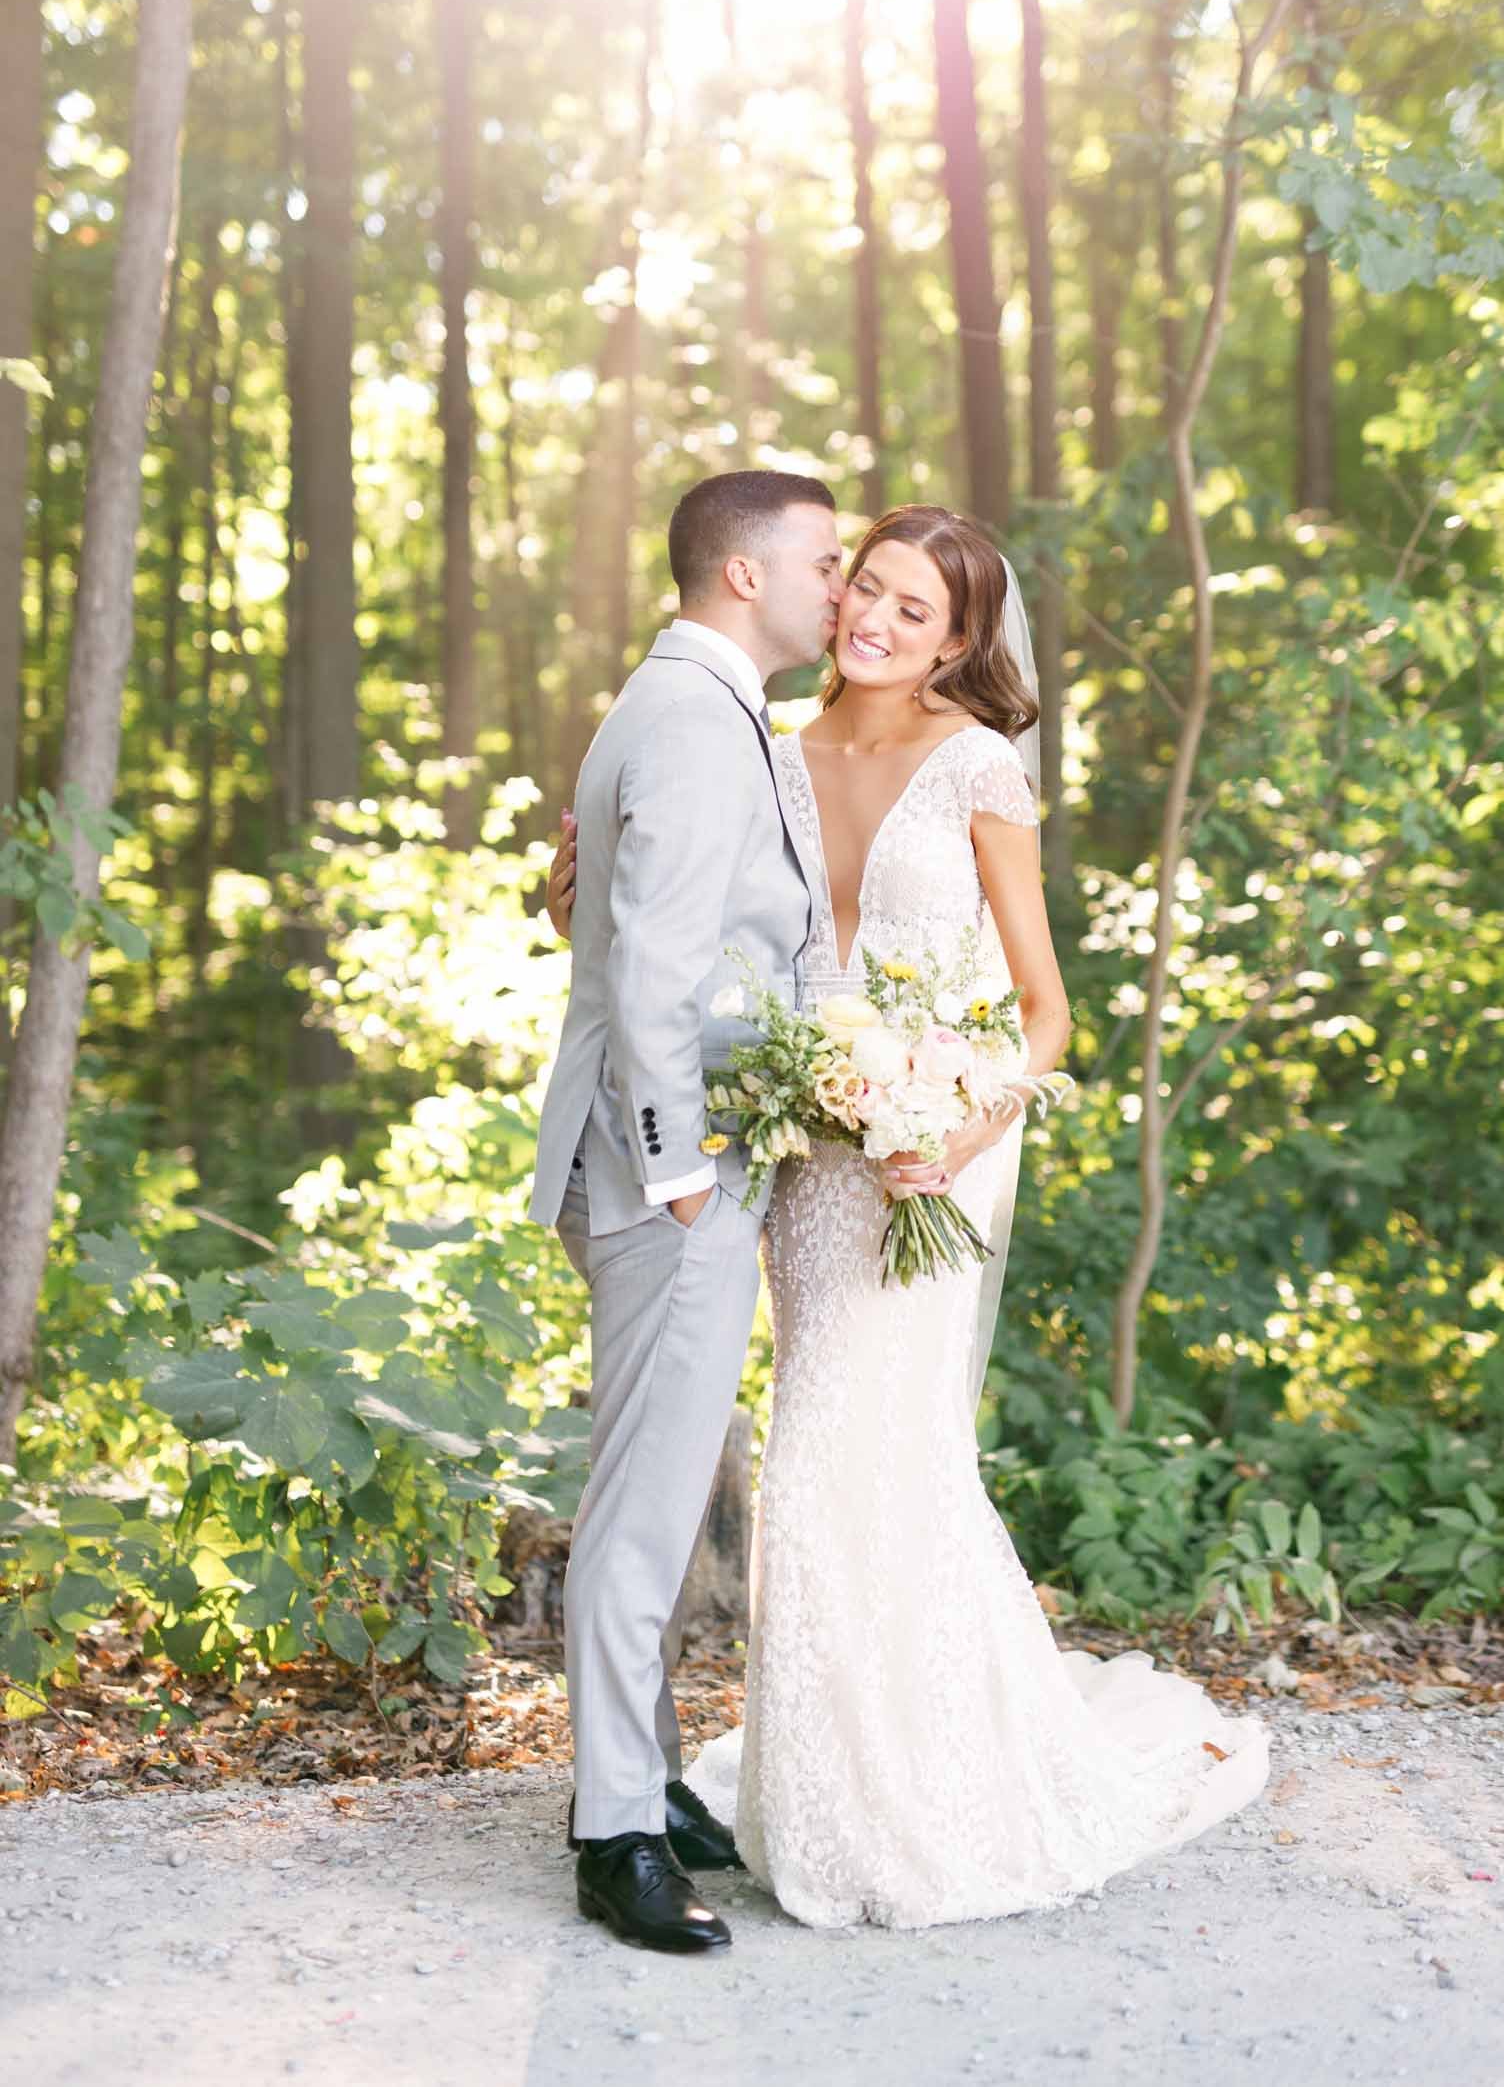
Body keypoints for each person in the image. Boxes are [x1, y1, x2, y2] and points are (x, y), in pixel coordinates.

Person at [545, 502, 1269, 1935]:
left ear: (958, 642)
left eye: (912, 610)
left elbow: (1047, 1014)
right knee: (815, 1454)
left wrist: (959, 1119)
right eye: (863, 585)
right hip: (797, 1145)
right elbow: (688, 922)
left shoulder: (982, 767)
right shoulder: (763, 742)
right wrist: (572, 892)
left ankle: (920, 1788)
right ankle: (819, 1785)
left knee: (877, 1441)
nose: (872, 617)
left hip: (936, 1137)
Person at [527, 469, 844, 1954]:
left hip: (689, 1155)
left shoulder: (694, 706)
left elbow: (640, 916)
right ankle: (613, 1834)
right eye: (824, 563)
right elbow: (654, 969)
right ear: (742, 577)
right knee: (646, 1505)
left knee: (646, 1480)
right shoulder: (692, 718)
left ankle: (643, 1770)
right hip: (673, 1167)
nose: (837, 590)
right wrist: (676, 1166)